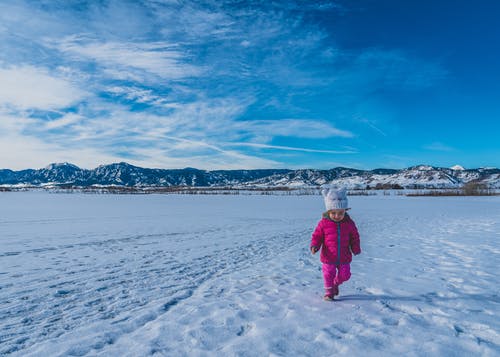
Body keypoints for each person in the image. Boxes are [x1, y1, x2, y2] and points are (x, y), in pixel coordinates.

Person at [310, 187, 361, 301]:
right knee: (328, 274)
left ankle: (335, 284)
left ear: (345, 211)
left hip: (344, 256)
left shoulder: (349, 223)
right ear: (328, 211)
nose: (337, 216)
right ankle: (329, 293)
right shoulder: (323, 223)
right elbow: (317, 236)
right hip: (328, 256)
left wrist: (356, 247)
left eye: (340, 213)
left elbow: (354, 236)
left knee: (345, 276)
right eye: (333, 213)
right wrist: (315, 245)